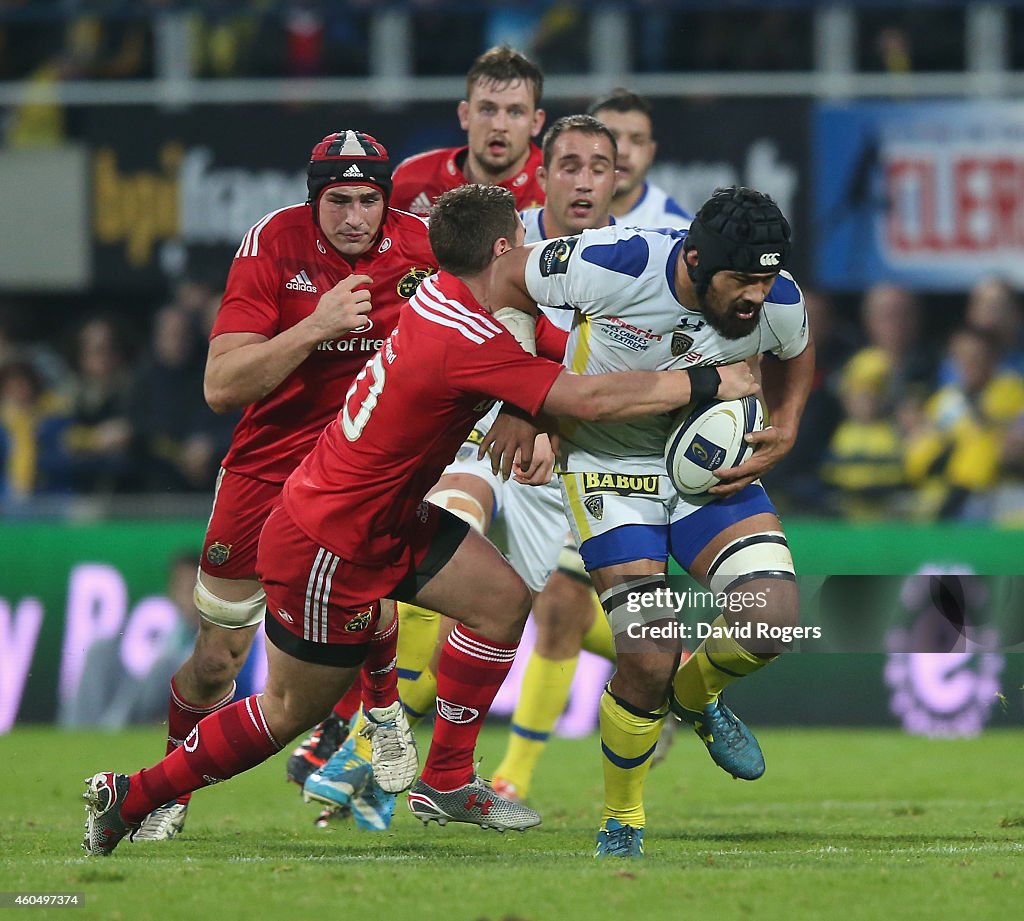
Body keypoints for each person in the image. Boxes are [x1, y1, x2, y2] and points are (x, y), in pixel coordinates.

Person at [81, 183, 759, 856]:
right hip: (330, 539)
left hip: (387, 517)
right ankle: (131, 794)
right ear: (503, 248)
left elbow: (557, 344)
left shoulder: (444, 293)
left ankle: (446, 778)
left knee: (500, 600)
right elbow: (584, 394)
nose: (529, 253)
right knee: (292, 708)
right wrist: (705, 381)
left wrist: (542, 399)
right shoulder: (464, 334)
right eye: (521, 242)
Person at [303, 114, 620, 821]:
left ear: (617, 177)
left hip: (555, 451)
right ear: (544, 171)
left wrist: (536, 411)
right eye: (567, 164)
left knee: (550, 609)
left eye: (597, 166)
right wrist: (522, 402)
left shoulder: (637, 247)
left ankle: (678, 688)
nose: (580, 179)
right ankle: (363, 749)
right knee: (445, 555)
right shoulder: (509, 238)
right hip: (472, 433)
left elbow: (591, 364)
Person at [128, 129, 438, 843]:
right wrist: (316, 328)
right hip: (267, 468)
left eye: (368, 200)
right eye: (339, 201)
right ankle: (171, 785)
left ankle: (380, 725)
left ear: (387, 200)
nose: (355, 217)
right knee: (216, 661)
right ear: (314, 200)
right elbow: (219, 386)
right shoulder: (272, 243)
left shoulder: (423, 246)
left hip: (363, 470)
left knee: (373, 592)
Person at [488, 185, 814, 858]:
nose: (758, 295)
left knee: (774, 618)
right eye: (742, 281)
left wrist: (787, 426)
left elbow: (797, 351)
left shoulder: (777, 300)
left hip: (705, 468)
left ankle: (697, 698)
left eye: (768, 277)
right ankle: (623, 818)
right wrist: (521, 397)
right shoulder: (614, 262)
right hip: (609, 469)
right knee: (645, 652)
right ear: (695, 259)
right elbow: (504, 275)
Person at [390, 45, 546, 217]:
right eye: (487, 109)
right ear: (465, 115)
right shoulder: (411, 180)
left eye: (515, 112)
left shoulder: (555, 188)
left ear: (536, 122)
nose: (499, 125)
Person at [60, 553, 201, 732]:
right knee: (100, 652)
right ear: (172, 592)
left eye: (198, 590)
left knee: (165, 667)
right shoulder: (168, 634)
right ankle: (79, 733)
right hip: (137, 709)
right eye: (187, 590)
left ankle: (110, 731)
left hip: (161, 714)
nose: (194, 600)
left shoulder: (220, 640)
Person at [588, 89, 692, 230]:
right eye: (611, 137)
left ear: (650, 152)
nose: (623, 151)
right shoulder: (553, 214)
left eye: (637, 141)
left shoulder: (678, 231)